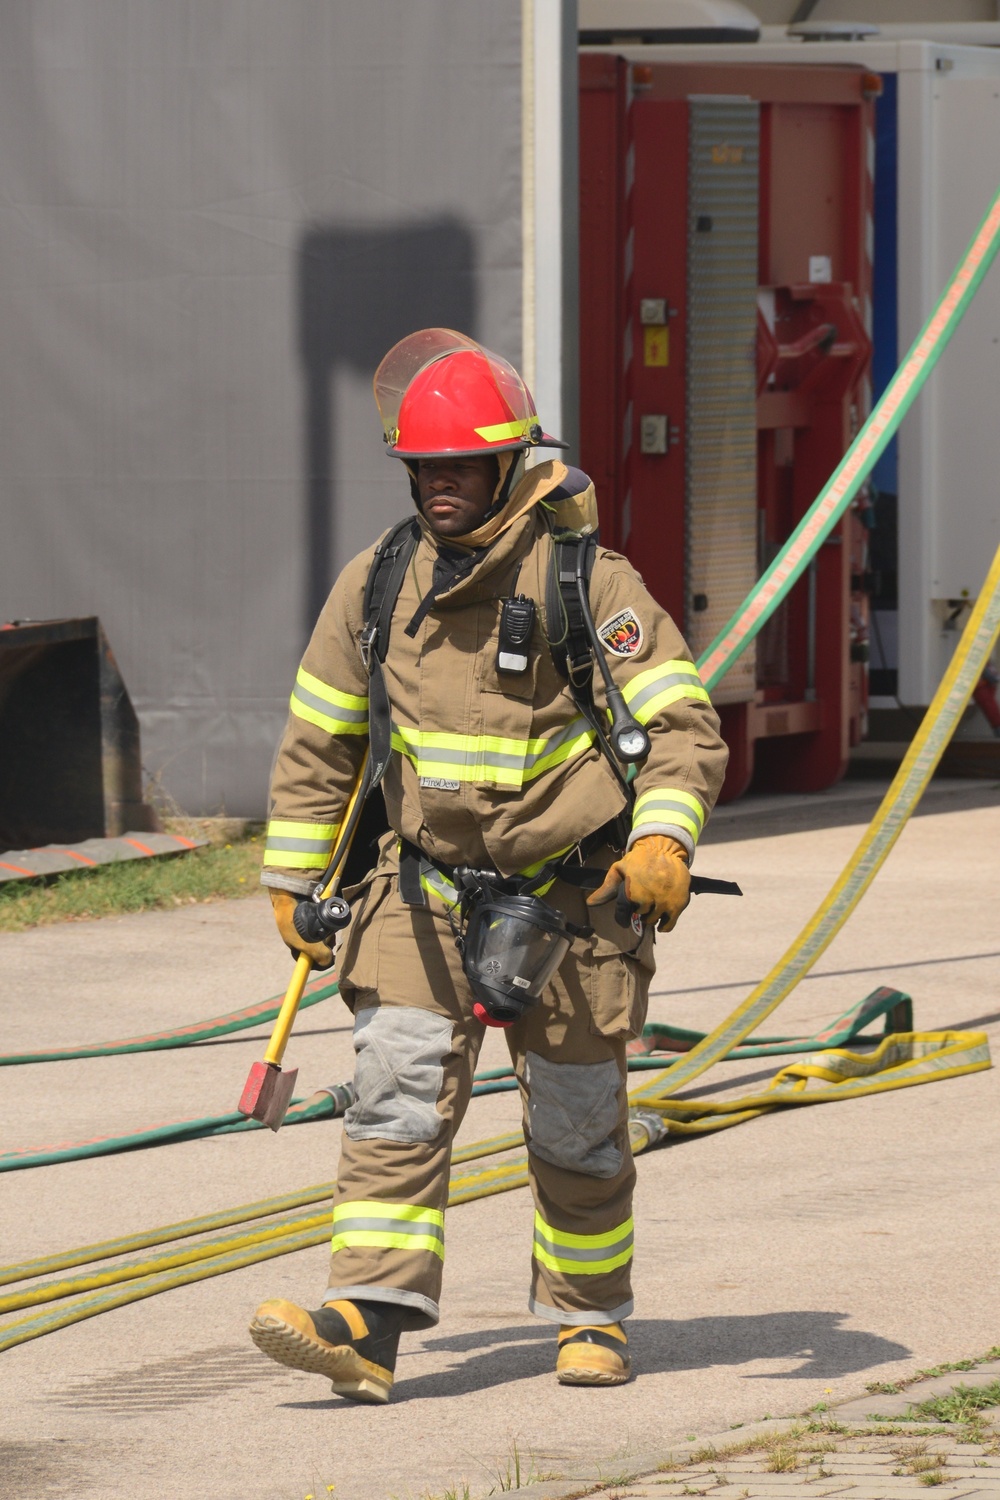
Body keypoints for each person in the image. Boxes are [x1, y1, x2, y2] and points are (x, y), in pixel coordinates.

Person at [249, 328, 728, 1403]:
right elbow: (322, 740)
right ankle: (365, 1325)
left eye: (460, 468)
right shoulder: (374, 585)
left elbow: (683, 727)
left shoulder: (588, 583)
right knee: (394, 1100)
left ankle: (588, 1318)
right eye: (423, 470)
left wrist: (662, 838)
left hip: (569, 902)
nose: (439, 489)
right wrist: (290, 877)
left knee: (574, 1122)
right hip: (415, 895)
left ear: (510, 465)